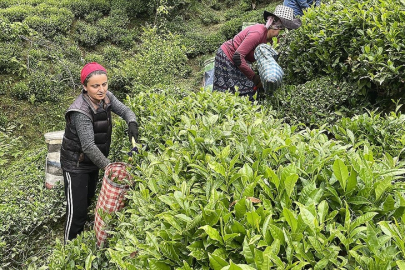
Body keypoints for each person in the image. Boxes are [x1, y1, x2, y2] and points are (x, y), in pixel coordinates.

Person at [60, 62, 139, 242]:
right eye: (95, 86)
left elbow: (125, 110)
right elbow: (88, 146)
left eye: (104, 84)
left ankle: (81, 241)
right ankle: (68, 247)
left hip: (93, 162)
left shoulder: (107, 98)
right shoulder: (80, 111)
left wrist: (132, 123)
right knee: (76, 212)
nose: (101, 89)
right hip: (76, 164)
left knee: (87, 201)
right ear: (85, 87)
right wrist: (109, 167)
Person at [212, 5, 301, 101]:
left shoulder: (272, 39)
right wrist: (255, 78)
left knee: (246, 90)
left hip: (240, 60)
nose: (283, 35)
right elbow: (237, 57)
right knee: (234, 92)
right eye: (283, 30)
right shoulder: (258, 33)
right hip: (227, 57)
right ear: (276, 27)